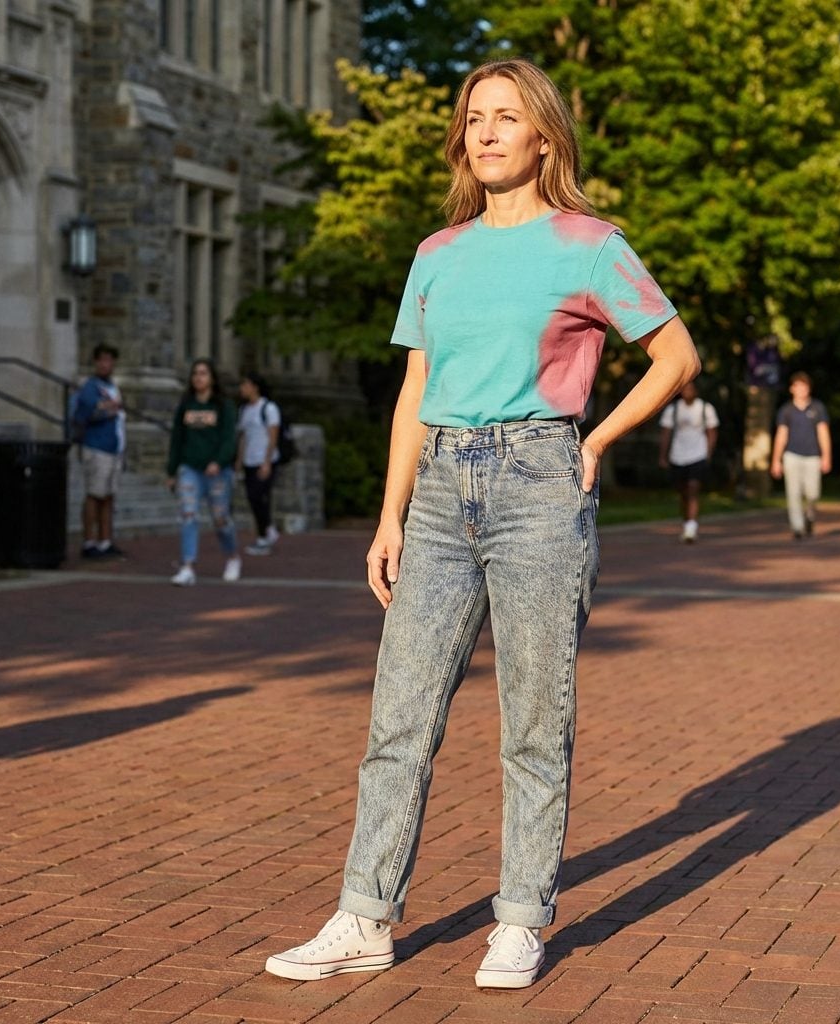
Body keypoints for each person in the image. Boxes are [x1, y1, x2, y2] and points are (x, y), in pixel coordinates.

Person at [263, 58, 700, 990]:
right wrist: (389, 516)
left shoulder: (588, 244)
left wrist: (596, 443)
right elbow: (414, 392)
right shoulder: (438, 253)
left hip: (540, 481)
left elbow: (675, 355)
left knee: (534, 723)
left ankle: (520, 920)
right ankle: (365, 917)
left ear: (545, 134)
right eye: (474, 118)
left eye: (507, 117)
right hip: (437, 499)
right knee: (399, 718)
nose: (488, 132)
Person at [166, 359, 241, 586]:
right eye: (195, 374)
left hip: (217, 472)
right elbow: (177, 439)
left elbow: (229, 438)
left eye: (204, 373)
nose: (199, 378)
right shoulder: (186, 406)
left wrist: (219, 461)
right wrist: (171, 470)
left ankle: (232, 557)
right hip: (191, 469)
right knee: (188, 514)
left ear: (212, 378)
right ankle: (188, 566)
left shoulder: (224, 406)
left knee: (220, 519)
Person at [72, 343, 125, 559]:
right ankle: (89, 542)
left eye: (109, 360)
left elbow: (114, 409)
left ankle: (106, 541)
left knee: (109, 496)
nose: (105, 364)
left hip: (114, 447)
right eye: (101, 360)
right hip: (96, 447)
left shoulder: (113, 387)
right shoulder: (90, 387)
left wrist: (109, 407)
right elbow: (85, 414)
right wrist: (106, 410)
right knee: (94, 494)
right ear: (95, 362)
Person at [770, 371, 832, 538]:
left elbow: (823, 433)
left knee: (813, 493)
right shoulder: (786, 411)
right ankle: (797, 527)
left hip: (812, 456)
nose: (802, 390)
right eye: (798, 386)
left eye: (804, 386)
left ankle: (810, 516)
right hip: (792, 456)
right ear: (792, 389)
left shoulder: (817, 408)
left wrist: (826, 456)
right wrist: (776, 460)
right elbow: (781, 435)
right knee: (793, 493)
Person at [658, 380, 719, 543]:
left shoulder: (705, 408)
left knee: (693, 488)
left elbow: (712, 432)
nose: (687, 392)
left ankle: (691, 528)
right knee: (683, 492)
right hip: (678, 456)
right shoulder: (673, 410)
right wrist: (663, 456)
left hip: (698, 455)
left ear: (696, 391)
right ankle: (686, 521)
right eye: (684, 389)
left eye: (690, 389)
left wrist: (709, 453)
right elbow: (665, 434)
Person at [236, 372, 281, 556]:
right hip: (249, 460)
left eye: (245, 384)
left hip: (265, 460)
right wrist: (239, 460)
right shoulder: (244, 410)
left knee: (260, 497)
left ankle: (264, 536)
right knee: (252, 498)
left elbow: (273, 436)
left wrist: (267, 462)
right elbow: (244, 437)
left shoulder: (268, 408)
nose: (242, 389)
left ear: (255, 386)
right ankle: (267, 530)